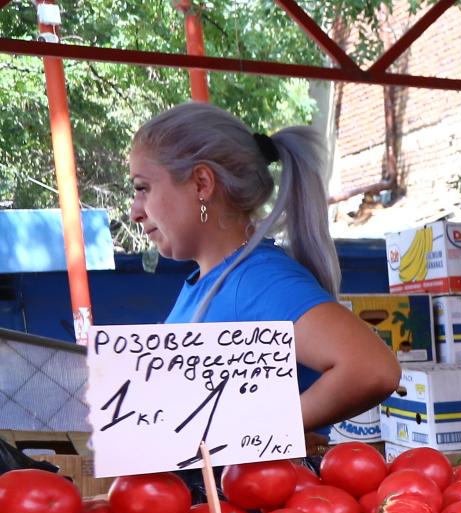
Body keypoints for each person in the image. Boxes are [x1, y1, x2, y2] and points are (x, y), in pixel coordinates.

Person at [129, 103, 398, 431]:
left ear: (201, 183)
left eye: (143, 188)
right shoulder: (211, 280)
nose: (135, 211)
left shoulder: (257, 281)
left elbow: (372, 369)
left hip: (245, 484)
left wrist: (250, 434)